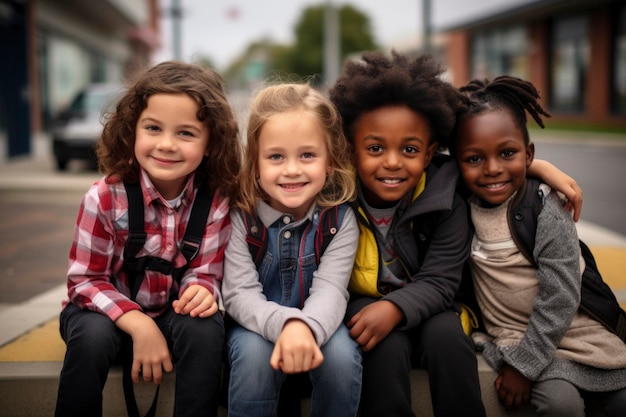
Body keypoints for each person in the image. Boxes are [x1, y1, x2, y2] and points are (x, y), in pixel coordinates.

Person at [328, 51, 584, 417]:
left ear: (430, 152)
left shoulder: (446, 194)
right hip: (366, 308)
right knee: (382, 347)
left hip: (438, 307)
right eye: (374, 148)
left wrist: (537, 169)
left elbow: (442, 279)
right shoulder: (337, 196)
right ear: (351, 152)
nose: (392, 162)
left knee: (447, 338)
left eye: (410, 149)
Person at [54, 61, 241, 417]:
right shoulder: (104, 198)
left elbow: (206, 272)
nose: (166, 145)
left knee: (204, 325)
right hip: (106, 318)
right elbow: (84, 281)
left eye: (185, 133)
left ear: (211, 142)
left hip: (172, 320)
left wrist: (201, 291)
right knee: (91, 336)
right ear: (131, 131)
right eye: (153, 128)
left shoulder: (215, 202)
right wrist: (138, 323)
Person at [450, 75, 626, 417]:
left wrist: (525, 366)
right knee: (560, 406)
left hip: (579, 334)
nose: (492, 169)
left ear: (527, 154)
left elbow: (560, 295)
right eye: (473, 159)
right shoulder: (458, 201)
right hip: (516, 339)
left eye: (507, 153)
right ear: (456, 162)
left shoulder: (545, 207)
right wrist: (522, 365)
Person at [222, 83, 362, 417]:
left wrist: (305, 327)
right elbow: (239, 293)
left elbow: (331, 291)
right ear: (255, 164)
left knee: (341, 357)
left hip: (320, 323)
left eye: (308, 155)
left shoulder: (339, 221)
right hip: (254, 323)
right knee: (254, 357)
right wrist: (286, 325)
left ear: (330, 161)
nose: (292, 169)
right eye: (275, 157)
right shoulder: (241, 218)